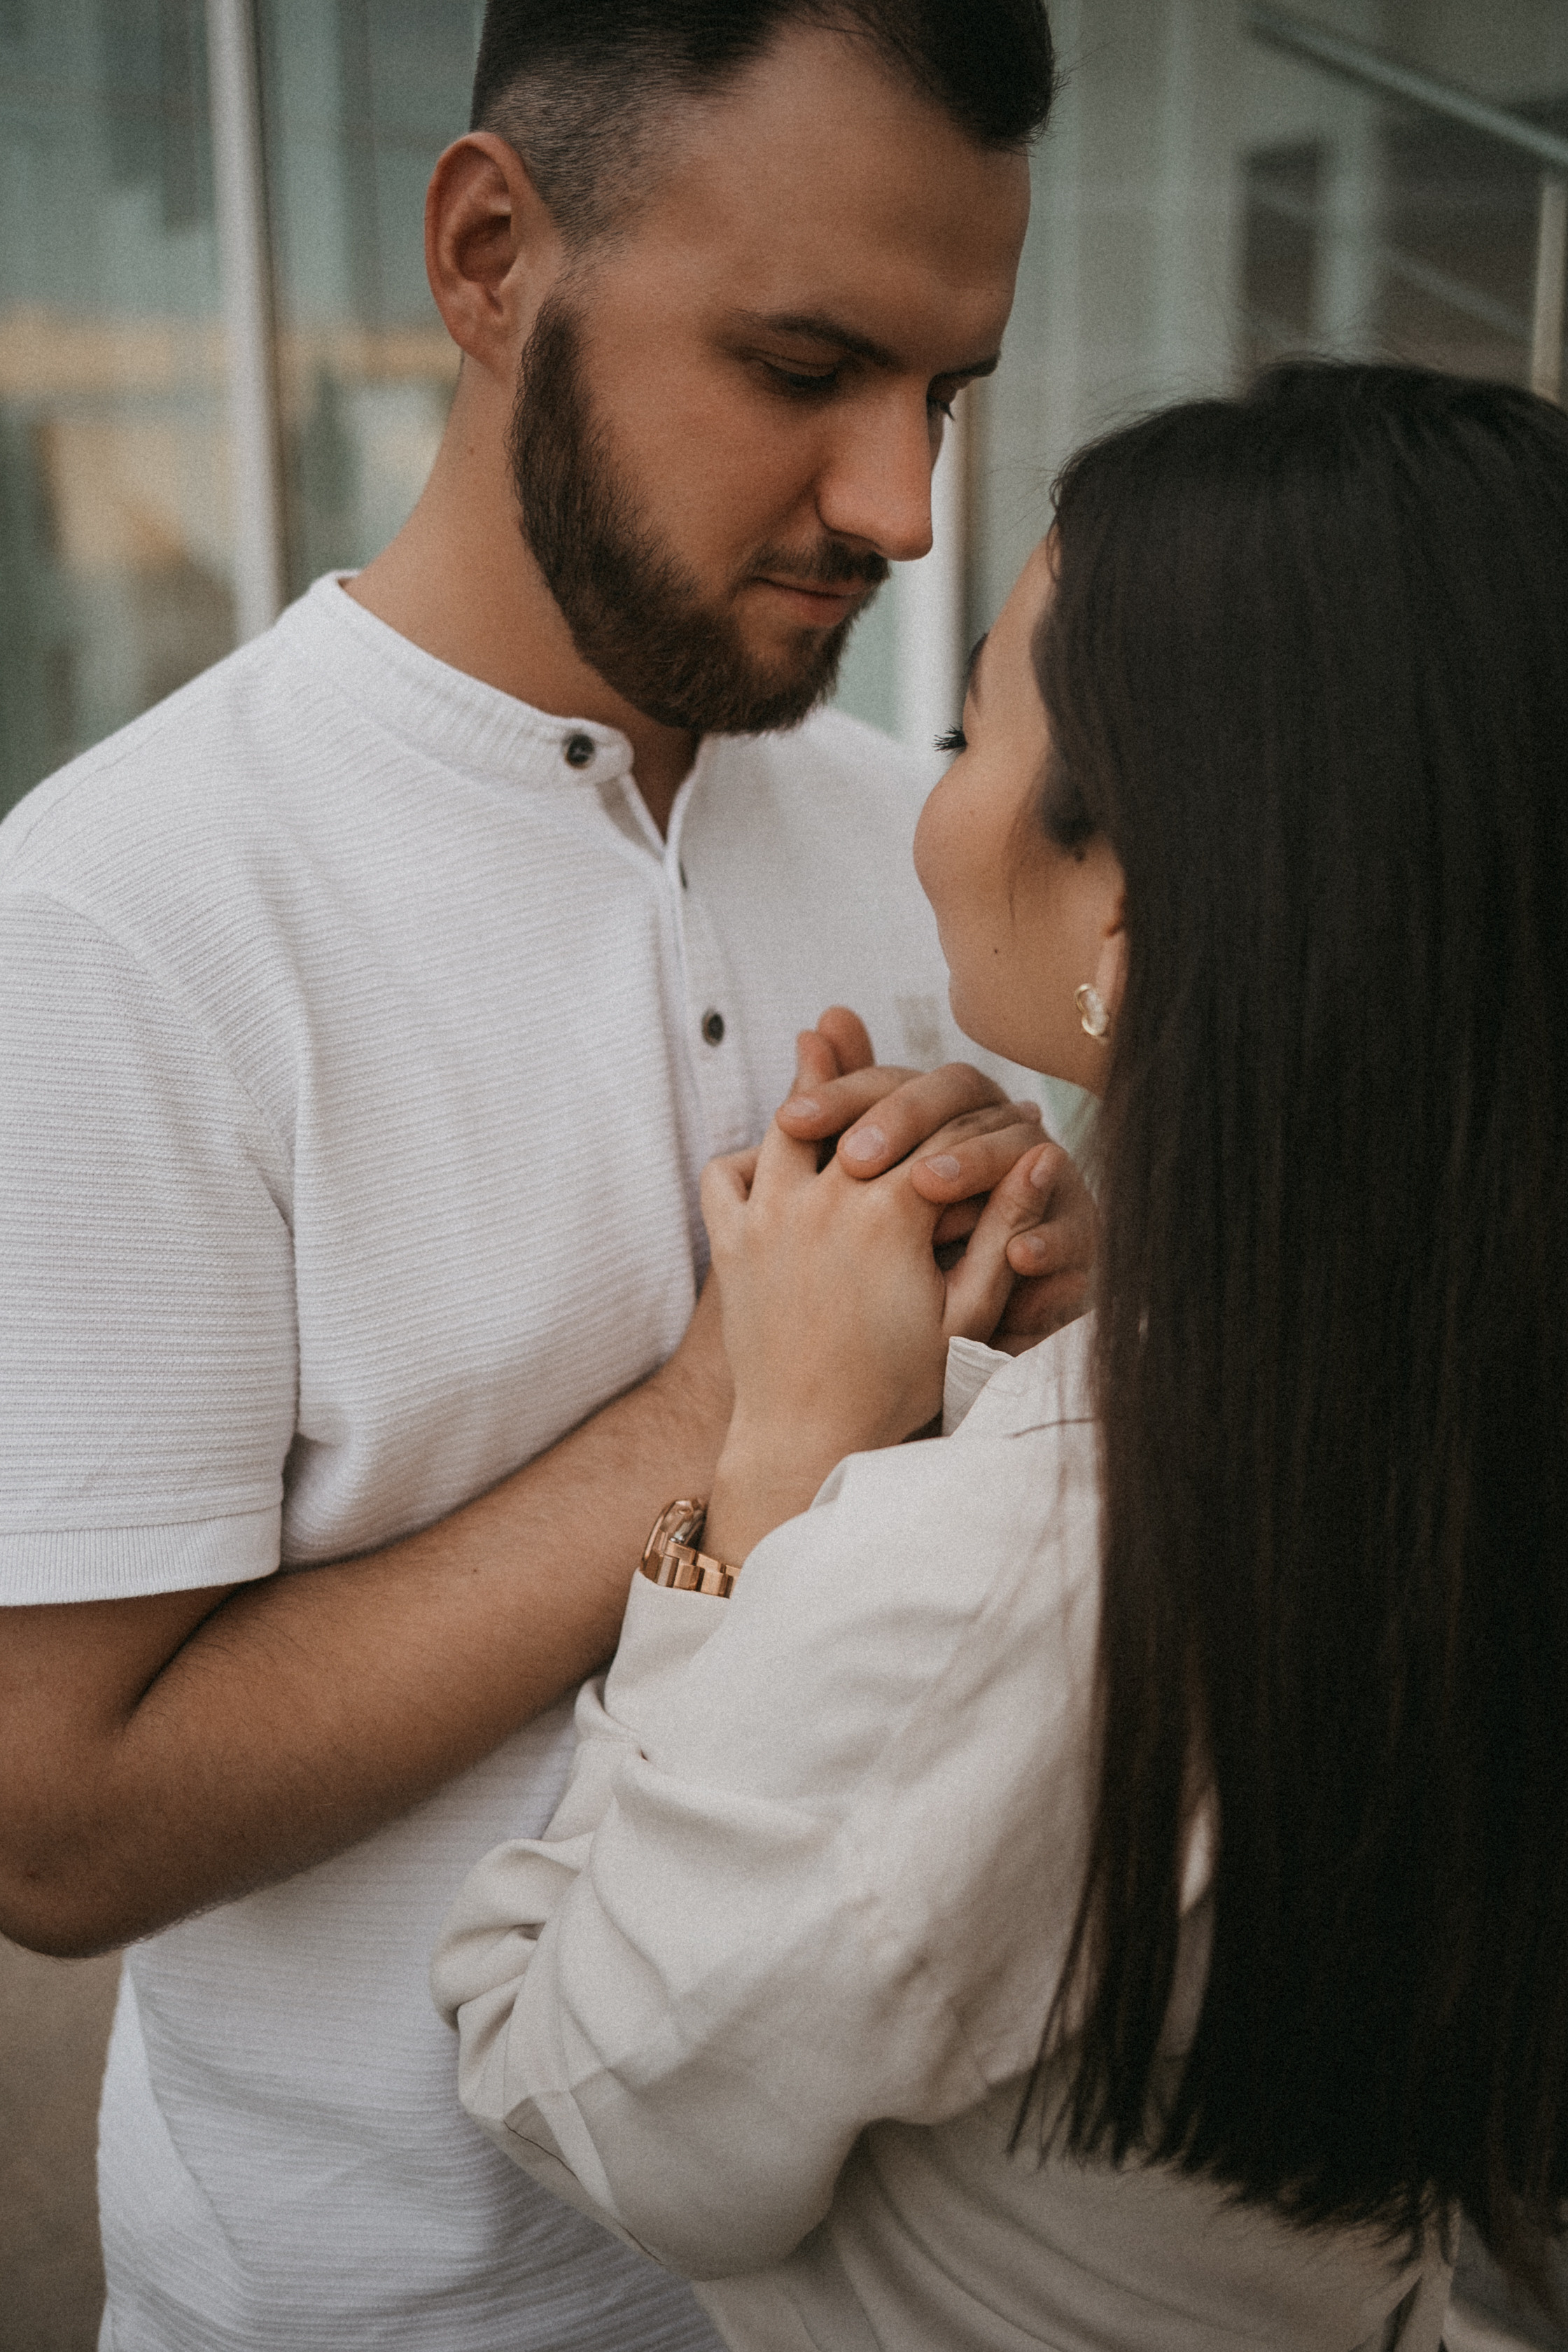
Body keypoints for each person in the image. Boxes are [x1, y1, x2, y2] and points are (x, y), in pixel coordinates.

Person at [0, 6, 1084, 2349]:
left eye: (948, 392)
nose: (902, 503)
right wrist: (713, 1416)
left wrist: (1049, 1309)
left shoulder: (945, 837)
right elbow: (54, 1831)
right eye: (806, 361)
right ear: (491, 254)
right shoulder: (123, 919)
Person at [433, 361, 1568, 2352]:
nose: (923, 789)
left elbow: (575, 2086)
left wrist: (774, 1463)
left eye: (964, 727)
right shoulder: (1456, 1403)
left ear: (1131, 894)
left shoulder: (993, 1588)